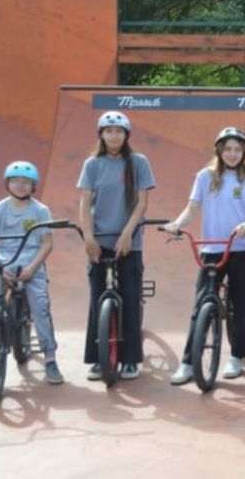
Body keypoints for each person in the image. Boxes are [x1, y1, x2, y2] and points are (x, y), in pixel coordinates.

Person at [166, 127, 245, 384]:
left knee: (241, 306)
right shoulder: (205, 176)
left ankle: (237, 357)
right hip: (212, 247)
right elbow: (191, 208)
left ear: (244, 152)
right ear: (219, 150)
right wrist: (177, 224)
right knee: (200, 305)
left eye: (238, 149)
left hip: (243, 248)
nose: (233, 154)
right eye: (228, 149)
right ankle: (187, 362)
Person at [0, 161, 62, 391]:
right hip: (3, 263)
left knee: (40, 306)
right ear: (7, 183)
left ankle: (50, 359)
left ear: (33, 186)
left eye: (26, 182)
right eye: (16, 181)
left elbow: (46, 244)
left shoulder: (40, 210)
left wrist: (32, 268)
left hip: (31, 263)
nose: (21, 185)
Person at [77, 110, 156, 381]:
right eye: (109, 131)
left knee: (131, 298)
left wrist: (128, 234)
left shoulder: (138, 162)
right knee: (97, 298)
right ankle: (98, 360)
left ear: (126, 135)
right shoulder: (92, 164)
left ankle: (131, 359)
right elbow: (85, 204)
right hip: (100, 242)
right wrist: (88, 238)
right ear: (101, 134)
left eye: (119, 131)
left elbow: (142, 204)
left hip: (129, 243)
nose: (114, 136)